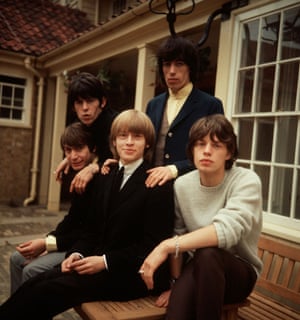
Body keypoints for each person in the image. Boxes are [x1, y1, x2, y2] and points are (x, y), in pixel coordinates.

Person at [0, 109, 174, 319]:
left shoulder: (157, 184)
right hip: (95, 264)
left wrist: (105, 261)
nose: (129, 142)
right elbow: (91, 230)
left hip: (129, 274)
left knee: (45, 291)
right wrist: (77, 254)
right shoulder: (106, 176)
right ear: (114, 142)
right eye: (123, 136)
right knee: (37, 281)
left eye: (137, 137)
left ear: (147, 143)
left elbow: (151, 245)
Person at [139, 114, 263, 320]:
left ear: (229, 152)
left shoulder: (246, 180)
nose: (206, 151)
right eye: (200, 144)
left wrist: (166, 246)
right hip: (199, 268)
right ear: (192, 150)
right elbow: (178, 232)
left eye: (216, 145)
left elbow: (226, 232)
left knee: (208, 253)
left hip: (238, 274)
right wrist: (176, 284)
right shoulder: (182, 185)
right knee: (177, 312)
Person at [9, 122, 98, 294]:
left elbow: (87, 232)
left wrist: (48, 245)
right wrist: (47, 240)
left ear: (92, 148)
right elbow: (71, 220)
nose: (73, 156)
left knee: (31, 270)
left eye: (79, 149)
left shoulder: (98, 180)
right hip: (68, 241)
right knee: (15, 258)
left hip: (84, 248)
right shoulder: (74, 176)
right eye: (68, 150)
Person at [145, 35, 224, 188]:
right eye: (167, 64)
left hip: (191, 189)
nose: (172, 71)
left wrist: (175, 169)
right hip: (153, 189)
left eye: (179, 64)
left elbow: (216, 152)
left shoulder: (210, 104)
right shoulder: (153, 105)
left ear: (190, 68)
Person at [55, 72, 118, 194]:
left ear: (102, 102)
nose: (84, 108)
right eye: (79, 102)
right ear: (73, 107)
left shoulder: (117, 125)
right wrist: (69, 158)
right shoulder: (80, 125)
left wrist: (94, 167)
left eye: (90, 101)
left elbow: (123, 162)